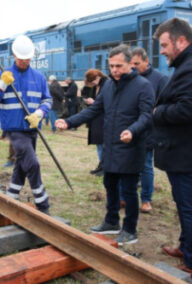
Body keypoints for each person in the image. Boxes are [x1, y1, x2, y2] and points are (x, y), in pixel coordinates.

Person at [56, 44, 154, 245]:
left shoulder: (143, 86)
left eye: (119, 66)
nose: (115, 70)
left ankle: (130, 229)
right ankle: (111, 221)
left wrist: (132, 131)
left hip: (130, 147)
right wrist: (69, 121)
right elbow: (94, 111)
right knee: (109, 184)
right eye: (111, 66)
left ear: (130, 64)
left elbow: (146, 116)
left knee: (128, 190)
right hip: (110, 146)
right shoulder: (109, 86)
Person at [0, 35, 52, 214]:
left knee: (22, 165)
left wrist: (39, 113)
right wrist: (1, 85)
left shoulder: (39, 77)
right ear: (14, 55)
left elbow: (47, 100)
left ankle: (11, 196)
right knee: (33, 164)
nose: (24, 61)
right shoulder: (2, 75)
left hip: (32, 129)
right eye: (21, 58)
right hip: (13, 130)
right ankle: (43, 203)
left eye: (28, 58)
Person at [152, 18, 192, 275]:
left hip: (185, 154)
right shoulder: (184, 66)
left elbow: (187, 108)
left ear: (181, 40)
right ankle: (185, 245)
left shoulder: (188, 69)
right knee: (183, 203)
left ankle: (190, 261)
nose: (162, 51)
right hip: (181, 152)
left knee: (188, 206)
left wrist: (158, 112)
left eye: (165, 45)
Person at [118, 47, 168, 213]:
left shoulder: (160, 79)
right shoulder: (126, 79)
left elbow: (165, 104)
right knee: (123, 163)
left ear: (147, 61)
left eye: (137, 64)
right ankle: (123, 197)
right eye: (130, 64)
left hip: (147, 130)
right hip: (126, 129)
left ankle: (146, 199)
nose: (133, 67)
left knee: (145, 165)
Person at [83, 69, 108, 176]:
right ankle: (101, 165)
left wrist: (94, 102)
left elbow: (107, 102)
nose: (92, 83)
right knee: (99, 144)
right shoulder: (95, 87)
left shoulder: (107, 85)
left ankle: (105, 167)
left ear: (98, 76)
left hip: (103, 119)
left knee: (103, 144)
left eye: (93, 80)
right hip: (96, 119)